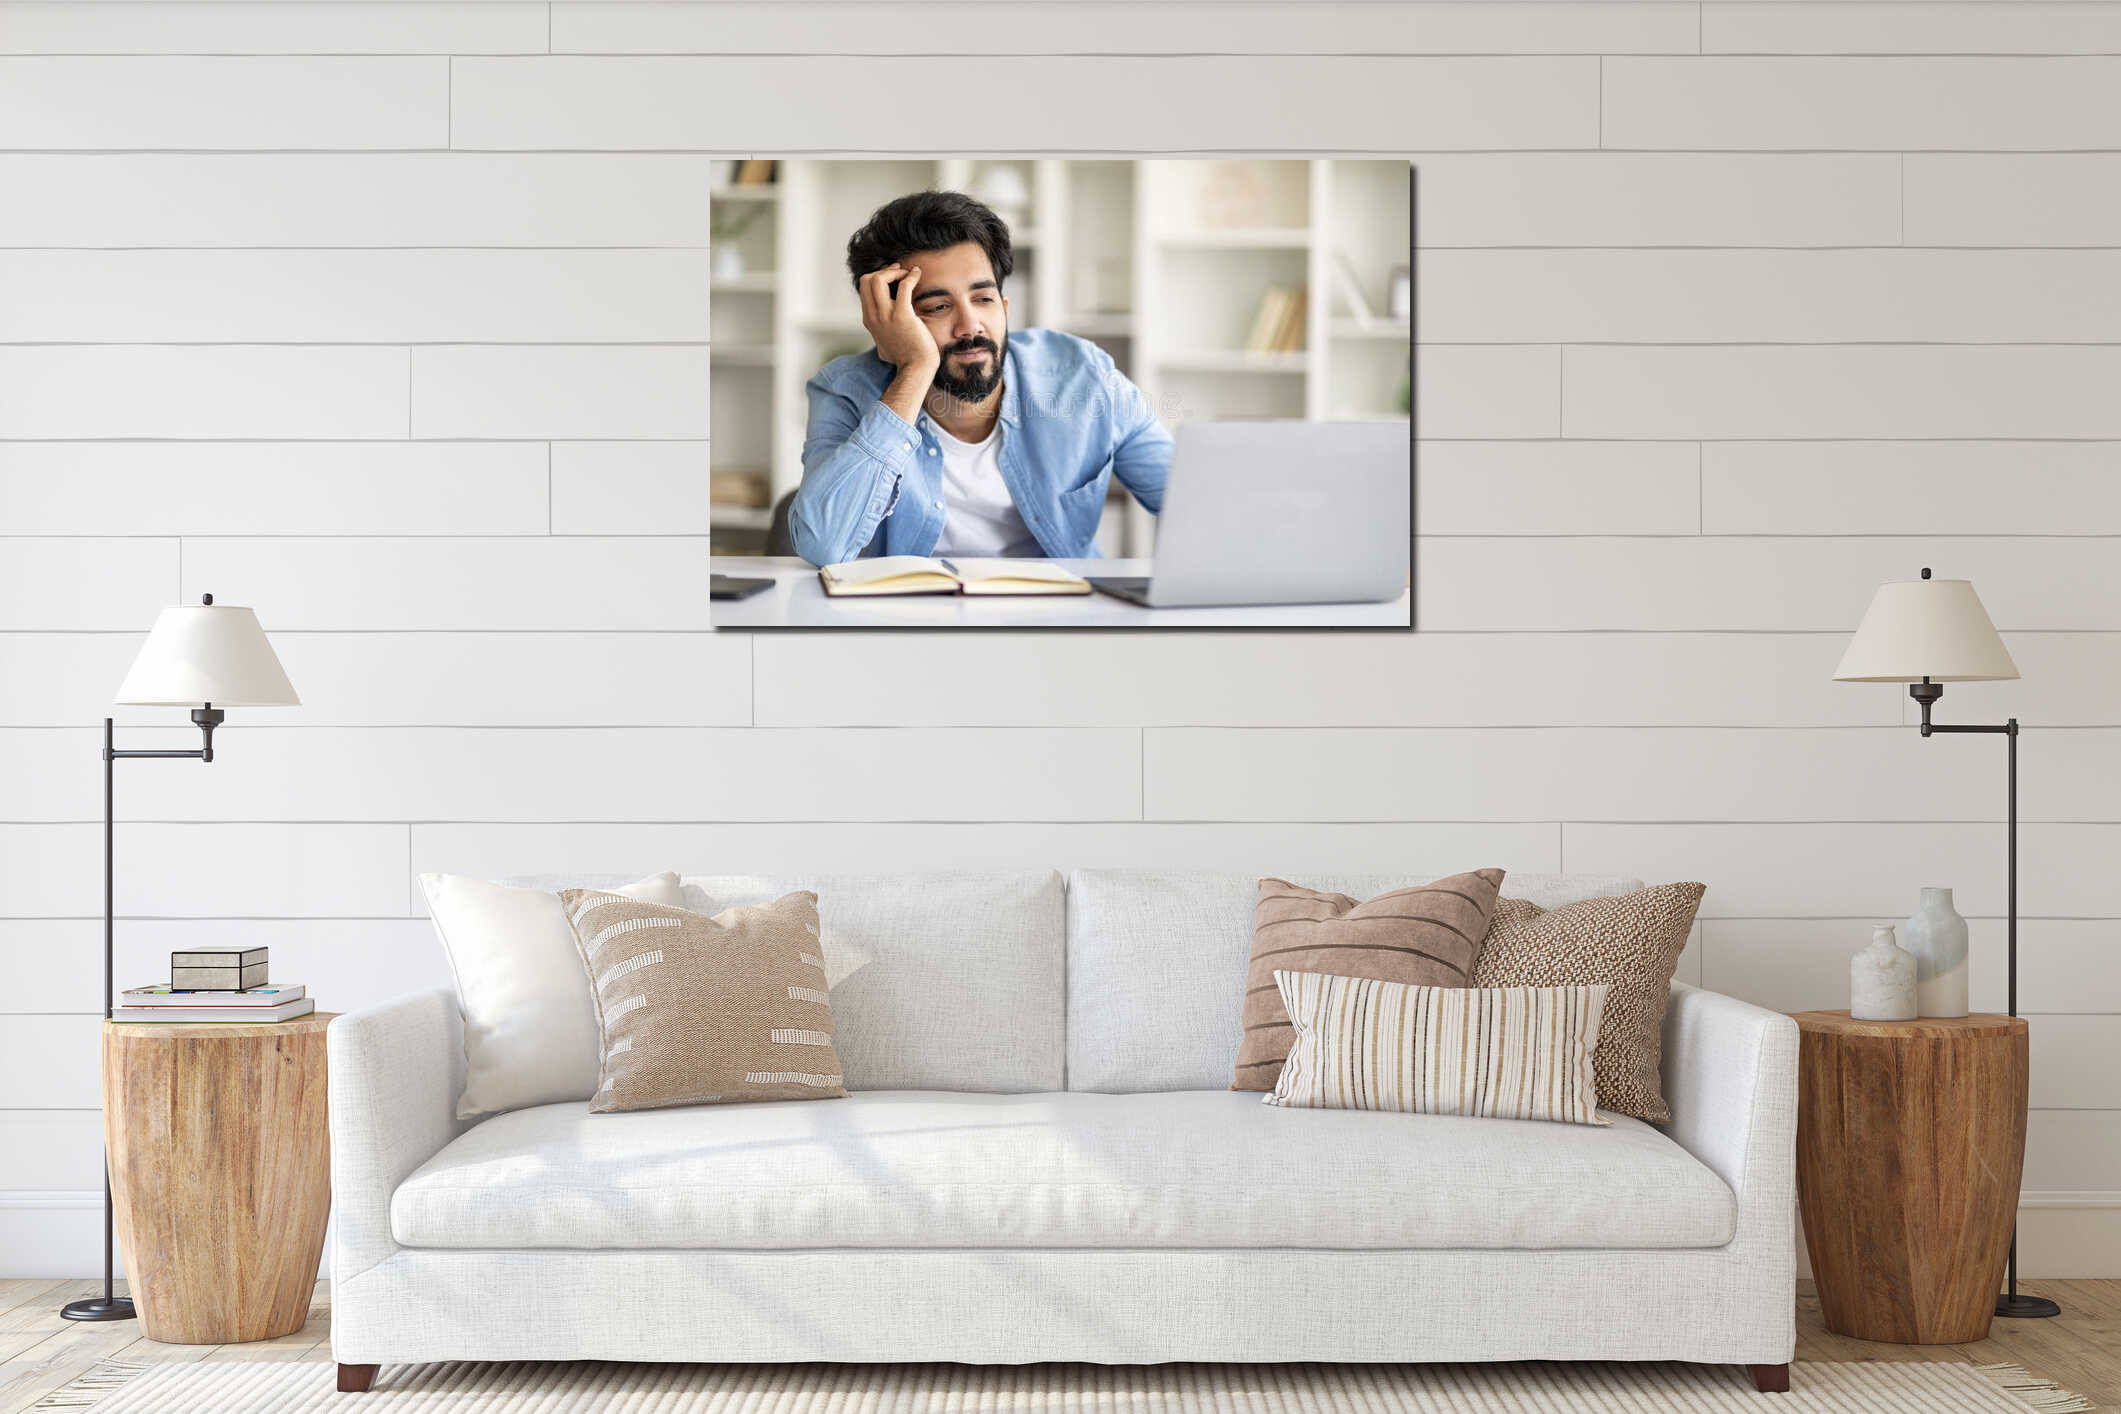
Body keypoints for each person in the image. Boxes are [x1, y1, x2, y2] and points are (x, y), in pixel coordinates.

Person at [789, 190, 1171, 567]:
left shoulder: (1083, 377)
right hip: (910, 623)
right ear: (890, 322)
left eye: (983, 299)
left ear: (1004, 309)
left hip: (1057, 619)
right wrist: (915, 369)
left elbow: (1194, 506)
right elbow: (824, 544)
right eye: (937, 307)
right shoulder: (845, 390)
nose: (970, 326)